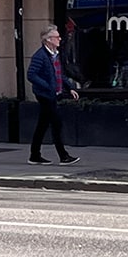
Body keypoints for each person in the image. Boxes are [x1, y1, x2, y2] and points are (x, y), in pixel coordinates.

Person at [26, 25, 81, 166]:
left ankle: (34, 155)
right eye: (57, 37)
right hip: (45, 95)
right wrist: (47, 86)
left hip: (52, 94)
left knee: (43, 125)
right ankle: (63, 156)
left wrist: (69, 88)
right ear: (48, 40)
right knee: (56, 124)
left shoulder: (54, 54)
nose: (60, 39)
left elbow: (59, 74)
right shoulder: (40, 56)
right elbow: (31, 75)